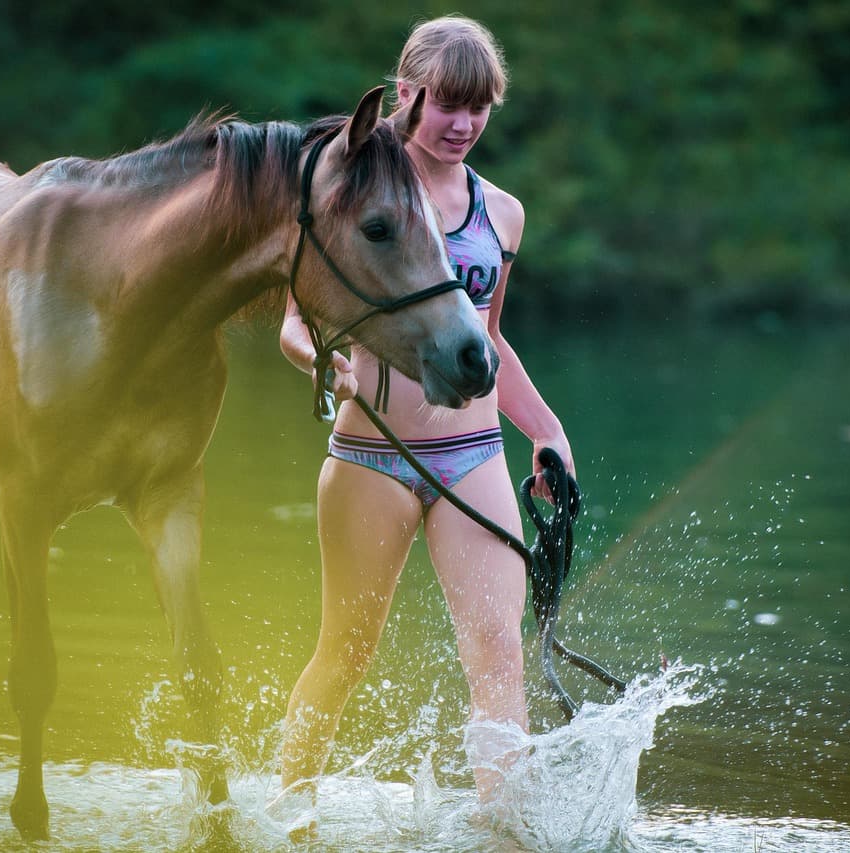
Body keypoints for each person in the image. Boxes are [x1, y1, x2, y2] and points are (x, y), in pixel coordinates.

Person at [278, 14, 573, 815]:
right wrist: (322, 363)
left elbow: (491, 340)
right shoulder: (359, 193)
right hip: (371, 456)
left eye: (479, 108)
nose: (463, 125)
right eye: (447, 104)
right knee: (345, 652)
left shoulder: (501, 213)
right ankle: (288, 812)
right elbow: (295, 320)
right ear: (406, 95)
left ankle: (503, 827)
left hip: (473, 454)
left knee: (497, 654)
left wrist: (546, 432)